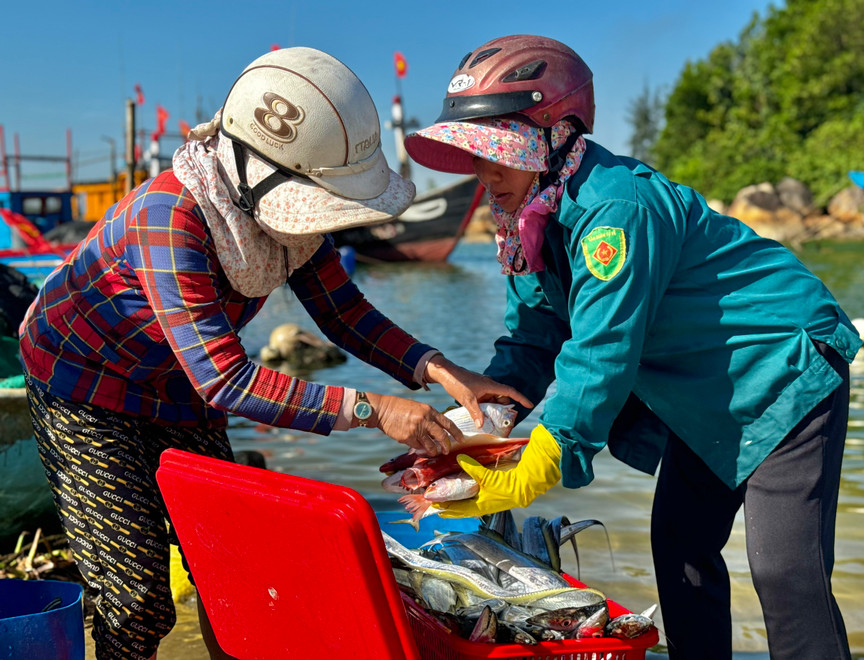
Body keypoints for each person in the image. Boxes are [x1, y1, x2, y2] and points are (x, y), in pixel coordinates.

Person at [19, 47, 529, 660]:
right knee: (137, 598)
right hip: (86, 385)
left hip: (178, 390)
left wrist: (442, 369)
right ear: (250, 168)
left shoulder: (290, 230)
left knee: (228, 565)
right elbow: (226, 382)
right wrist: (375, 410)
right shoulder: (169, 217)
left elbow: (345, 313)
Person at [404, 34, 859, 659]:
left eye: (496, 152)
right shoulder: (528, 221)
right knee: (680, 548)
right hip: (705, 391)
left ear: (555, 133)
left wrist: (539, 463)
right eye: (474, 157)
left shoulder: (617, 209)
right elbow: (535, 339)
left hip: (784, 362)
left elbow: (601, 355)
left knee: (785, 572)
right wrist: (485, 421)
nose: (484, 175)